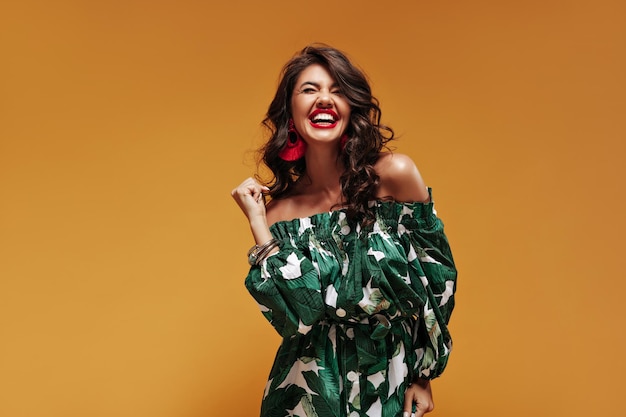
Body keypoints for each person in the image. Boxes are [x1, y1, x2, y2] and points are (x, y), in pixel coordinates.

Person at [231, 44, 457, 417]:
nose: (325, 99)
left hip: (387, 376)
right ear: (291, 111)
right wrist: (258, 223)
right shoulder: (278, 214)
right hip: (305, 388)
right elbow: (297, 317)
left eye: (337, 90)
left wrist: (423, 374)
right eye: (309, 89)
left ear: (352, 106)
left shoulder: (395, 175)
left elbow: (437, 280)